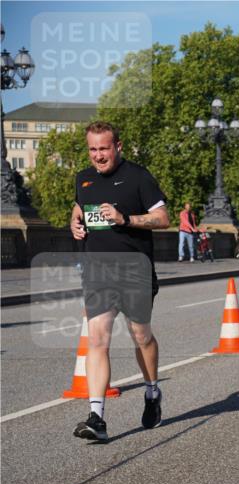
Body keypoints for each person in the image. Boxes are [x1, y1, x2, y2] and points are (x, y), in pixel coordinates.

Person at [69, 121, 169, 441]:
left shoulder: (138, 177)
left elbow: (163, 218)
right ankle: (96, 417)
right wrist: (75, 222)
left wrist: (125, 219)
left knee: (141, 336)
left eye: (104, 148)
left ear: (118, 147)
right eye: (93, 149)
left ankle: (152, 391)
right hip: (97, 272)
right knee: (97, 339)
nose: (98, 155)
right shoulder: (83, 178)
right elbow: (79, 208)